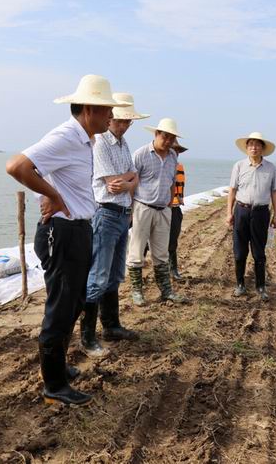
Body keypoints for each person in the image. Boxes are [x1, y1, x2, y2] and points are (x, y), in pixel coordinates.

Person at [6, 74, 129, 406]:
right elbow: (17, 166)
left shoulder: (85, 141)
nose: (111, 116)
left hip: (79, 229)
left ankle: (58, 368)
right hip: (61, 232)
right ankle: (54, 385)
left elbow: (45, 171)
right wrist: (53, 196)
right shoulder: (65, 136)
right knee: (60, 307)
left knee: (74, 302)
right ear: (89, 109)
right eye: (107, 110)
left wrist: (53, 192)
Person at [80, 92, 147, 357]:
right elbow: (113, 183)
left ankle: (111, 326)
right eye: (121, 120)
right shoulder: (101, 143)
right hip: (106, 213)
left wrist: (128, 181)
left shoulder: (123, 143)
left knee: (116, 274)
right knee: (98, 275)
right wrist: (129, 180)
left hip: (121, 214)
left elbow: (132, 178)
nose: (125, 125)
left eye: (129, 121)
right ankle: (88, 336)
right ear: (110, 118)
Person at [126, 118, 190, 306]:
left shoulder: (173, 156)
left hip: (164, 210)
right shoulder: (141, 154)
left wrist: (170, 204)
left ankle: (166, 291)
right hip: (143, 207)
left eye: (172, 138)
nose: (168, 141)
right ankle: (137, 291)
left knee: (162, 253)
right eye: (165, 136)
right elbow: (131, 182)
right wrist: (130, 209)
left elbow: (171, 181)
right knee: (137, 251)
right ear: (156, 134)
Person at [226, 132, 276, 301]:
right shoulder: (239, 166)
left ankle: (260, 287)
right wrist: (229, 213)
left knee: (259, 252)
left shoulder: (270, 168)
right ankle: (240, 285)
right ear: (246, 148)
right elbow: (232, 190)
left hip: (261, 213)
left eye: (257, 145)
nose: (254, 148)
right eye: (251, 144)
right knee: (239, 252)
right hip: (241, 211)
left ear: (262, 148)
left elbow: (274, 192)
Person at [168, 141, 188, 280]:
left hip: (175, 208)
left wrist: (180, 199)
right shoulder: (159, 165)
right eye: (172, 150)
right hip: (159, 208)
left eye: (177, 151)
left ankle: (173, 269)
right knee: (147, 241)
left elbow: (180, 187)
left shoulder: (179, 167)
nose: (175, 153)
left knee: (172, 241)